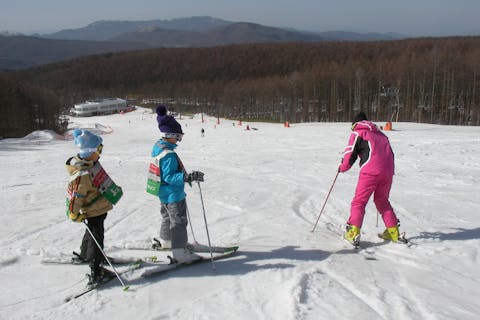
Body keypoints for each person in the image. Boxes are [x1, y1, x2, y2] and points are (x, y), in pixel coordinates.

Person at [66, 129, 123, 286]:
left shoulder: (91, 164)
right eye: (99, 149)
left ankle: (86, 254)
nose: (100, 153)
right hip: (93, 210)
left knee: (91, 232)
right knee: (97, 237)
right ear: (90, 151)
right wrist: (73, 213)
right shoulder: (83, 174)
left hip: (98, 208)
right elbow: (76, 195)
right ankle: (96, 270)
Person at [148, 105, 204, 263]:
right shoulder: (169, 154)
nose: (179, 140)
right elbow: (170, 176)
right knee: (178, 220)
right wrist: (187, 177)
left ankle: (167, 241)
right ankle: (180, 252)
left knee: (167, 217)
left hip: (163, 192)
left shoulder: (158, 147)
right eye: (178, 137)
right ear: (170, 135)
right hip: (173, 193)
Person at [338, 111, 403, 246]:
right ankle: (393, 232)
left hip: (370, 172)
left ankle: (353, 232)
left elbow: (350, 153)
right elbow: (390, 154)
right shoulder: (382, 135)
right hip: (387, 172)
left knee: (359, 202)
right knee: (382, 201)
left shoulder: (358, 132)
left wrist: (342, 167)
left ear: (355, 123)